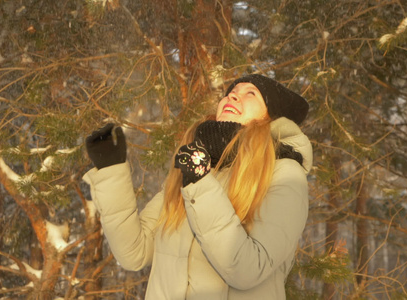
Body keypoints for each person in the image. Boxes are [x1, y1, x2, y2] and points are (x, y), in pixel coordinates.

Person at [83, 74, 312, 299]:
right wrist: (110, 169)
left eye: (250, 93)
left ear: (271, 118)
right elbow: (135, 253)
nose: (233, 97)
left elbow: (248, 270)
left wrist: (200, 182)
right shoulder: (199, 166)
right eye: (231, 93)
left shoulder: (285, 175)